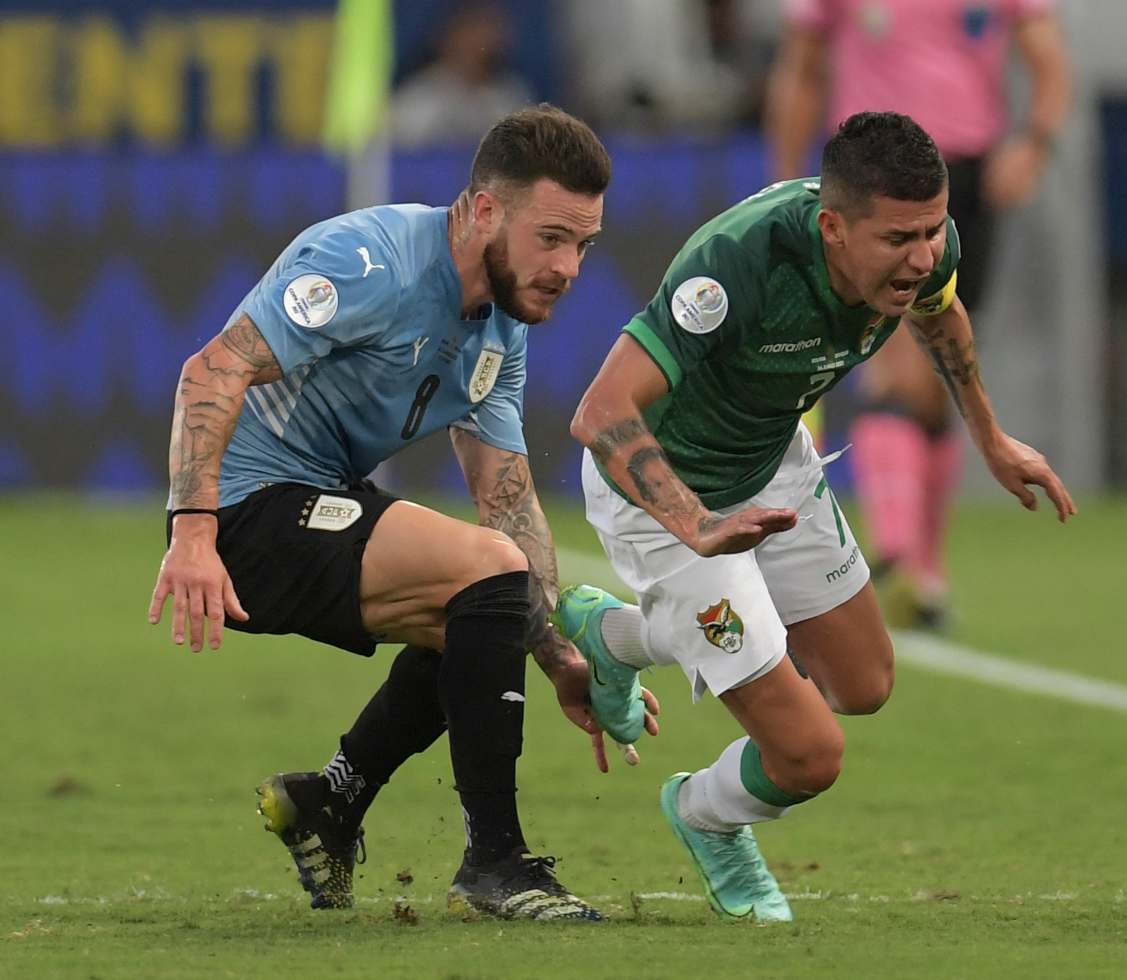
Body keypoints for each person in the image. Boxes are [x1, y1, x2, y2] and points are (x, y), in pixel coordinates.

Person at [553, 112, 1075, 922]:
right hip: (663, 506)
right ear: (833, 228)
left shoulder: (927, 249)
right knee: (808, 756)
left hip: (772, 467)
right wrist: (694, 525)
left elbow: (941, 315)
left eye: (933, 232)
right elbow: (601, 411)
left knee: (864, 684)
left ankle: (619, 638)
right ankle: (705, 814)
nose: (924, 255)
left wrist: (992, 437)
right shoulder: (735, 266)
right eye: (900, 238)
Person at [146, 105, 655, 921]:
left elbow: (507, 496)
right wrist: (194, 533)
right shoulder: (365, 262)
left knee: (484, 606)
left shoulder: (500, 327)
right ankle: (495, 863)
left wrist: (557, 655)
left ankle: (332, 801)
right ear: (485, 209)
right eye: (553, 238)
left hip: (317, 502)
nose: (569, 267)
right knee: (490, 573)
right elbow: (210, 371)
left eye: (584, 245)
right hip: (243, 515)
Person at [767, 0, 1071, 628]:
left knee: (934, 384)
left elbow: (1046, 54)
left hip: (964, 175)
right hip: (871, 186)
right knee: (898, 373)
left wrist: (1034, 145)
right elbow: (801, 65)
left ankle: (925, 573)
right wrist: (782, 178)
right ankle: (894, 557)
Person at [389, 1, 537, 149]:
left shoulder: (510, 96)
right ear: (450, 35)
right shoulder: (418, 98)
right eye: (473, 30)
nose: (480, 40)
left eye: (489, 30)